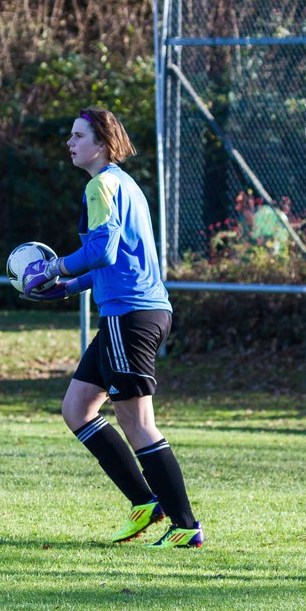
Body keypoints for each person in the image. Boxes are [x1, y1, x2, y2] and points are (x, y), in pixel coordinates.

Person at [22, 107, 202, 548]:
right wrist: (66, 285)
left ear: (100, 144)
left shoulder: (101, 185)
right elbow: (112, 258)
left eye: (78, 135)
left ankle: (185, 525)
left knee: (138, 423)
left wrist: (52, 266)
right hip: (129, 314)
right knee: (77, 408)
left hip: (131, 315)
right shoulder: (121, 183)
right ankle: (145, 503)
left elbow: (102, 250)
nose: (70, 142)